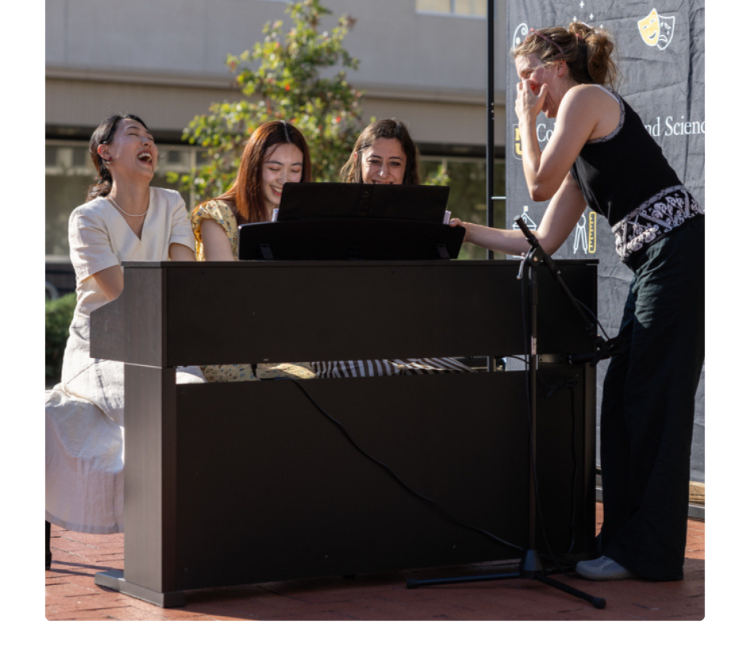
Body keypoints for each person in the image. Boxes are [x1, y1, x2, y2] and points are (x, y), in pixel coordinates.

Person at [451, 24, 706, 582]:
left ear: (558, 67)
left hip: (680, 256)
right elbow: (536, 241)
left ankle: (650, 555)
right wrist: (462, 230)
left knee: (654, 405)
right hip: (656, 264)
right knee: (619, 404)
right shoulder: (582, 145)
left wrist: (522, 119)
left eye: (528, 78)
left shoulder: (588, 99)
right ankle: (620, 542)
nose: (525, 90)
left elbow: (538, 183)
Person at [44, 114, 205, 535]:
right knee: (176, 396)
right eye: (134, 135)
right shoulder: (87, 217)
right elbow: (121, 294)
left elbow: (185, 280)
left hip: (160, 343)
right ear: (106, 153)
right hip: (100, 349)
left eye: (150, 137)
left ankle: (183, 532)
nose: (147, 141)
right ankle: (157, 535)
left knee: (197, 398)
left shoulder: (171, 202)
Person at [313, 118, 476, 378]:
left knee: (462, 379)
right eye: (374, 161)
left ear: (406, 168)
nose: (383, 173)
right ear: (358, 160)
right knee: (379, 374)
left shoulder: (422, 222)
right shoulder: (329, 216)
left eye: (395, 164)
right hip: (339, 346)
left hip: (406, 345)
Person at [191, 120, 315, 381]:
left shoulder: (303, 223)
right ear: (254, 168)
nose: (284, 179)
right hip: (223, 343)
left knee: (304, 384)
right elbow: (225, 297)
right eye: (274, 168)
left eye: (295, 170)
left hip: (281, 343)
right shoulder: (218, 215)